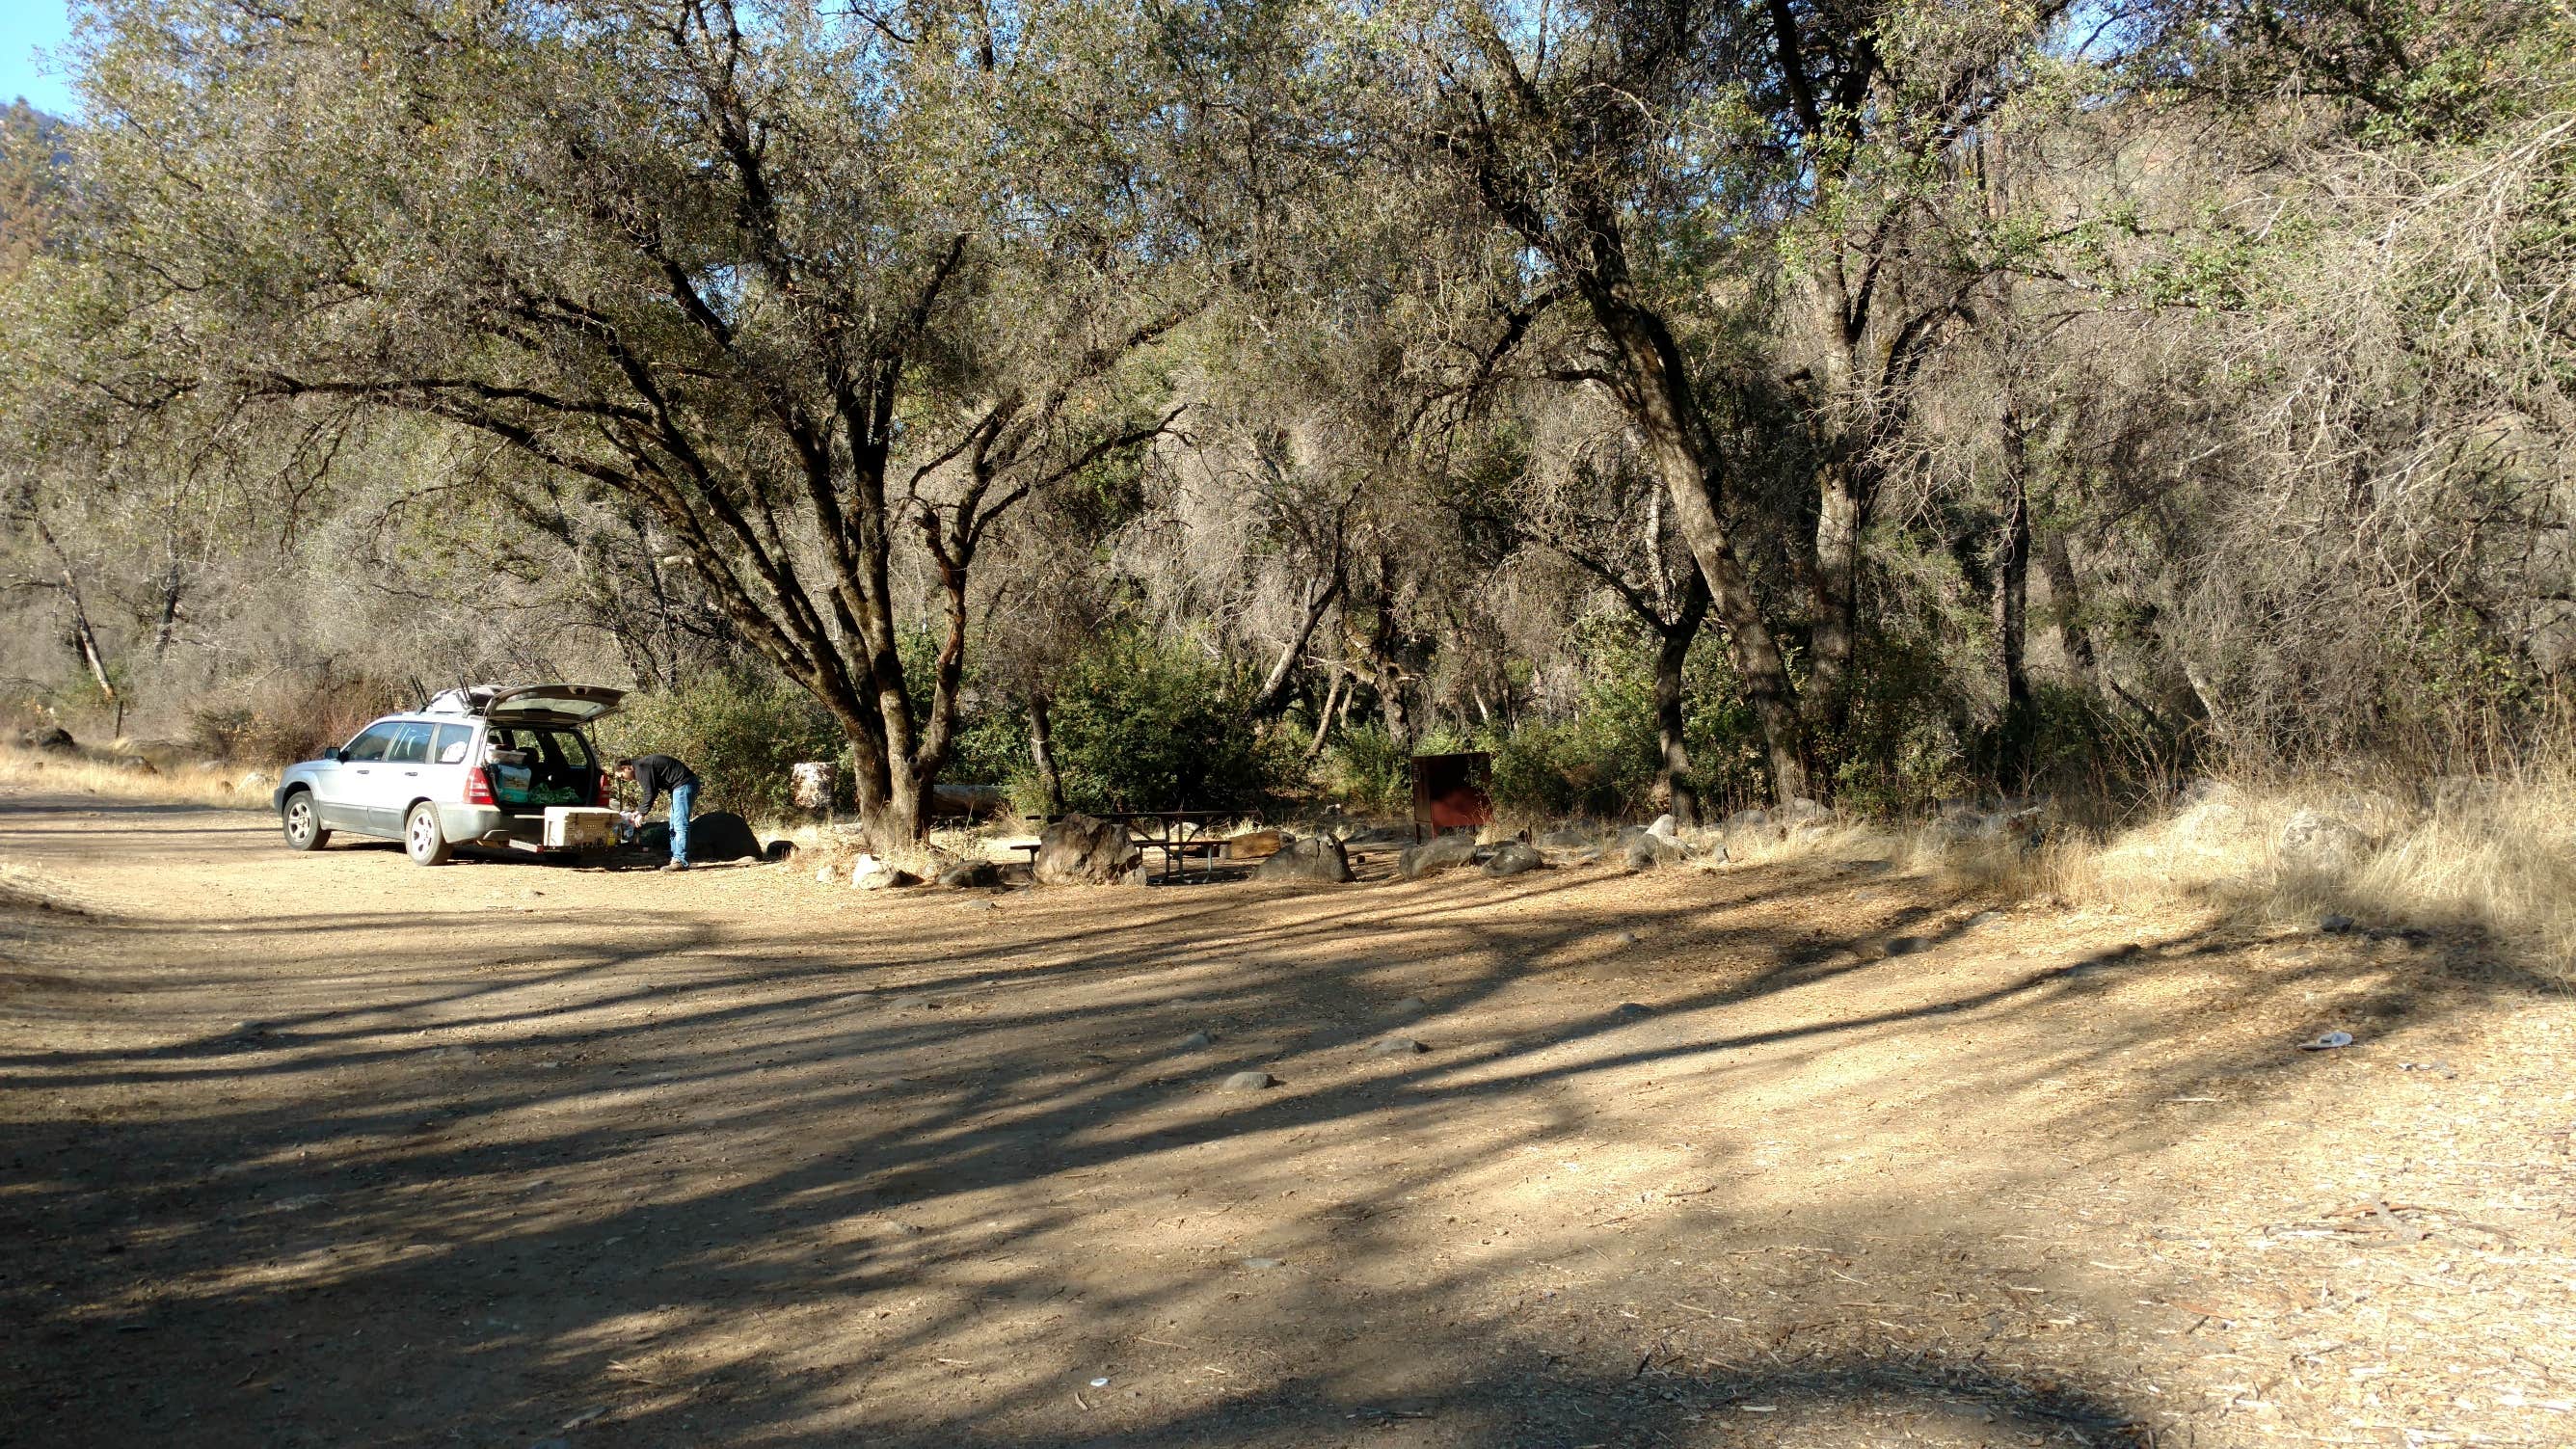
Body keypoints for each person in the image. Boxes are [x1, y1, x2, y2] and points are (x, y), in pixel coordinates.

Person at [615, 755, 699, 872]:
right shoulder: (641, 766)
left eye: (622, 777)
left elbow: (649, 792)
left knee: (680, 825)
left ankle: (680, 860)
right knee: (673, 825)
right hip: (679, 787)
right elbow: (653, 790)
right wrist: (638, 811)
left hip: (684, 784)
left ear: (625, 768)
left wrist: (642, 814)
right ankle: (674, 858)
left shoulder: (641, 766)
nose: (624, 780)